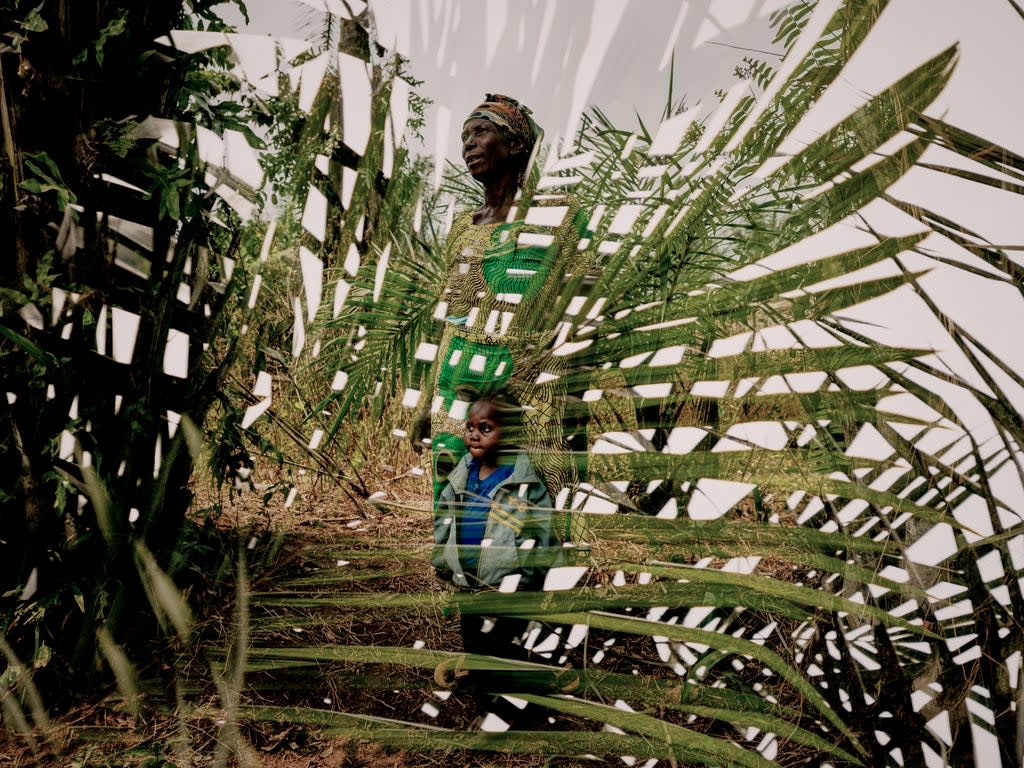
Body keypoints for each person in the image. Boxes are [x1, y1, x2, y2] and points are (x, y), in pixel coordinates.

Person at [432, 393, 572, 730]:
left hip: (506, 586)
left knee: (495, 648)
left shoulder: (524, 485)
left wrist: (528, 579)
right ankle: (491, 702)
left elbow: (541, 538)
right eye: (470, 427)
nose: (473, 435)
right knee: (477, 648)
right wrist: (443, 561)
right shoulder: (461, 476)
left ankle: (512, 705)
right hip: (468, 584)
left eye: (485, 428)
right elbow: (445, 520)